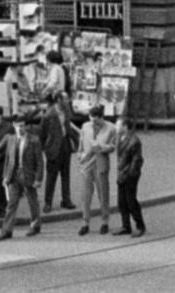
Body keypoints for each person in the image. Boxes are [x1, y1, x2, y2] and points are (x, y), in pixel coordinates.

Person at [0, 113, 43, 239]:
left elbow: (39, 161)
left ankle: (35, 225)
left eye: (22, 126)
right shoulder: (11, 139)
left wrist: (38, 178)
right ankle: (7, 230)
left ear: (26, 126)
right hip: (14, 175)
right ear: (14, 125)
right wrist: (5, 177)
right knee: (11, 203)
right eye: (17, 126)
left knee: (32, 202)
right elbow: (8, 159)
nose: (19, 129)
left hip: (28, 174)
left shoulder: (34, 140)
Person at [77, 104, 115, 236]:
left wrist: (103, 148)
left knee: (103, 194)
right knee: (85, 195)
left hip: (101, 163)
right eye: (91, 120)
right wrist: (79, 154)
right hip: (87, 164)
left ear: (101, 118)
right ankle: (85, 222)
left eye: (96, 121)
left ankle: (104, 222)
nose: (93, 123)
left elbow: (113, 145)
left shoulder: (110, 128)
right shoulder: (85, 126)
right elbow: (81, 144)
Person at [112, 115, 145, 237]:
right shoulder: (120, 137)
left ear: (125, 127)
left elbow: (137, 160)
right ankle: (126, 225)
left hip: (129, 176)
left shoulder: (134, 141)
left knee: (131, 202)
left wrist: (130, 174)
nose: (116, 127)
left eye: (118, 125)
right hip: (121, 174)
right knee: (121, 202)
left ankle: (140, 225)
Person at [41, 93, 76, 210]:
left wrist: (76, 141)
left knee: (66, 174)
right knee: (51, 177)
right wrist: (43, 150)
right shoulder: (49, 114)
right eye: (66, 98)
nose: (68, 100)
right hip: (53, 148)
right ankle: (48, 202)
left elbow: (68, 128)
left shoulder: (67, 110)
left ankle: (66, 200)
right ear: (59, 100)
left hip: (65, 145)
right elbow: (43, 133)